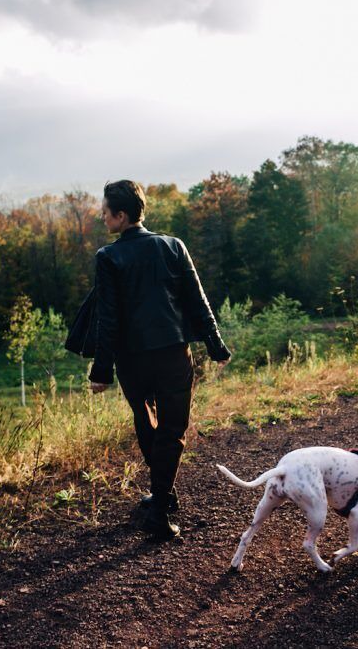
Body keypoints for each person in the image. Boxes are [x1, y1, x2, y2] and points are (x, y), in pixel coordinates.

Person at [88, 180, 231, 538]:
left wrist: (102, 369)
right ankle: (161, 502)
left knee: (146, 419)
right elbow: (198, 302)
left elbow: (109, 318)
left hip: (131, 360)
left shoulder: (108, 257)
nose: (102, 216)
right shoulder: (173, 246)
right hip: (172, 355)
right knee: (172, 431)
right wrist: (216, 347)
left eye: (105, 211)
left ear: (121, 216)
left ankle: (160, 496)